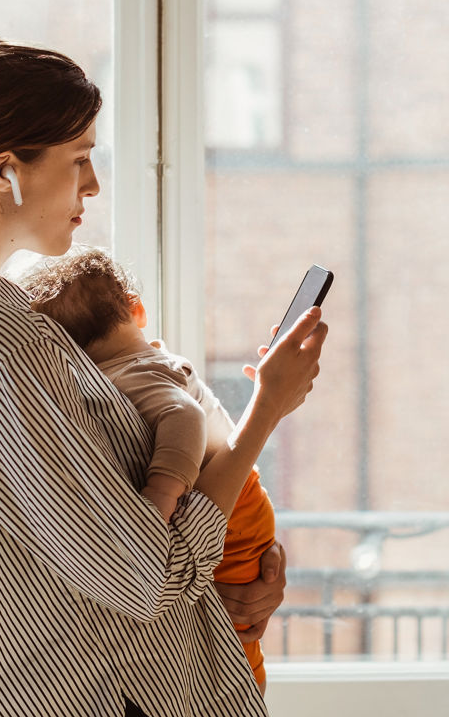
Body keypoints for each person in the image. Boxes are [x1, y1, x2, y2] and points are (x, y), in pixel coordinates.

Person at [0, 34, 327, 717]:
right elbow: (152, 577)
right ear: (6, 172)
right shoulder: (3, 348)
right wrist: (267, 409)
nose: (92, 186)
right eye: (78, 160)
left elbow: (76, 544)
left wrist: (236, 575)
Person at [20, 246, 282, 692]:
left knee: (235, 629)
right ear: (137, 311)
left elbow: (185, 417)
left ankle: (245, 689)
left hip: (231, 509)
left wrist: (161, 492)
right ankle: (246, 687)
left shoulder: (129, 375)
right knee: (238, 619)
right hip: (239, 501)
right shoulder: (151, 360)